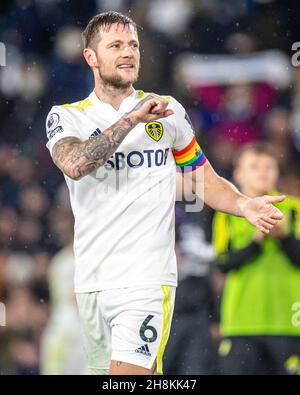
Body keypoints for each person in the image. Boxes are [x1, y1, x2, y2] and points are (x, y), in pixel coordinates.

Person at [45, 11, 284, 375]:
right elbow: (76, 163)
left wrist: (243, 203)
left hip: (146, 279)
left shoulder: (169, 112)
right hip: (92, 281)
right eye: (116, 46)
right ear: (91, 58)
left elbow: (203, 178)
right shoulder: (67, 116)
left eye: (133, 45)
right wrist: (131, 120)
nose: (128, 53)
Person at [212, 143, 300, 375]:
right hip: (242, 320)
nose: (262, 172)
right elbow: (222, 263)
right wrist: (256, 242)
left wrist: (284, 237)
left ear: (277, 172)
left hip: (288, 320)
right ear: (238, 173)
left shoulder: (293, 209)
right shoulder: (227, 213)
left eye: (268, 166)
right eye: (254, 166)